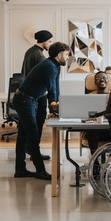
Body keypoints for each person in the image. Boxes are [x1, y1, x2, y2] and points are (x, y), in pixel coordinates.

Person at [13, 42, 70, 180]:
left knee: (23, 136)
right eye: (67, 54)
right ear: (59, 55)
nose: (68, 58)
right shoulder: (49, 66)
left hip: (28, 100)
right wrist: (53, 107)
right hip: (24, 100)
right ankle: (40, 171)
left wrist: (56, 107)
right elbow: (51, 89)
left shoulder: (55, 66)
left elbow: (55, 88)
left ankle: (20, 169)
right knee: (32, 135)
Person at [21, 30, 54, 161]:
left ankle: (31, 149)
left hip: (29, 92)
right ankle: (34, 151)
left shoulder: (30, 51)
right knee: (38, 123)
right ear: (44, 41)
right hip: (38, 95)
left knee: (31, 125)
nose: (50, 44)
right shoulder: (39, 56)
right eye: (50, 41)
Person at [85, 71, 111, 154]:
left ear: (108, 80)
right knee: (93, 128)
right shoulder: (89, 97)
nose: (101, 80)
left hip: (110, 129)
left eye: (104, 78)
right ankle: (95, 161)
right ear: (94, 82)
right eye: (98, 78)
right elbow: (84, 113)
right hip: (96, 129)